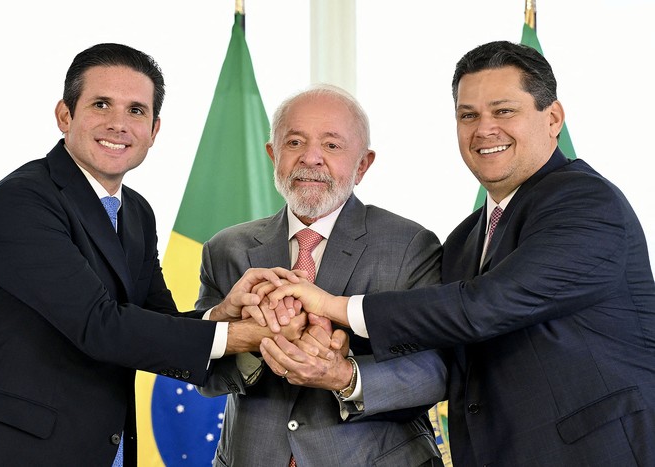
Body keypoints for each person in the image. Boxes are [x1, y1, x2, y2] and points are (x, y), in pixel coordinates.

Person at [264, 41, 655, 466]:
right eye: (468, 115)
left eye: (504, 111)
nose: (484, 129)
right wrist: (313, 339)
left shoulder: (587, 201)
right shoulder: (463, 239)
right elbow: (436, 344)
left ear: (553, 118)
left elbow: (486, 305)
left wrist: (330, 305)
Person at [0, 43, 303, 466]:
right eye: (102, 104)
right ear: (65, 115)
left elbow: (157, 320)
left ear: (154, 131)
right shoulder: (23, 200)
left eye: (136, 111)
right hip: (18, 451)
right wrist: (250, 334)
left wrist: (223, 315)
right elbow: (98, 324)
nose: (119, 124)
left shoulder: (135, 212)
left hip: (107, 449)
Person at [194, 85, 446, 466]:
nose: (310, 158)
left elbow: (435, 371)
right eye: (294, 142)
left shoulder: (412, 245)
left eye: (331, 145)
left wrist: (342, 375)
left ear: (363, 164)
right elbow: (203, 373)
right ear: (272, 155)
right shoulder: (225, 249)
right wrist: (255, 346)